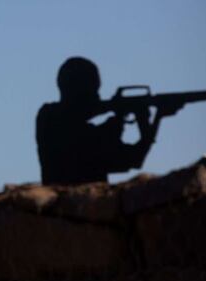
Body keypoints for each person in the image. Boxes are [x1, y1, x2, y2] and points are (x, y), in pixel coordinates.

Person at [36, 57, 182, 185]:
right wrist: (119, 117)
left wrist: (155, 119)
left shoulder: (52, 118)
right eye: (93, 91)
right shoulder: (50, 118)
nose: (97, 97)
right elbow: (92, 142)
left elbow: (135, 158)